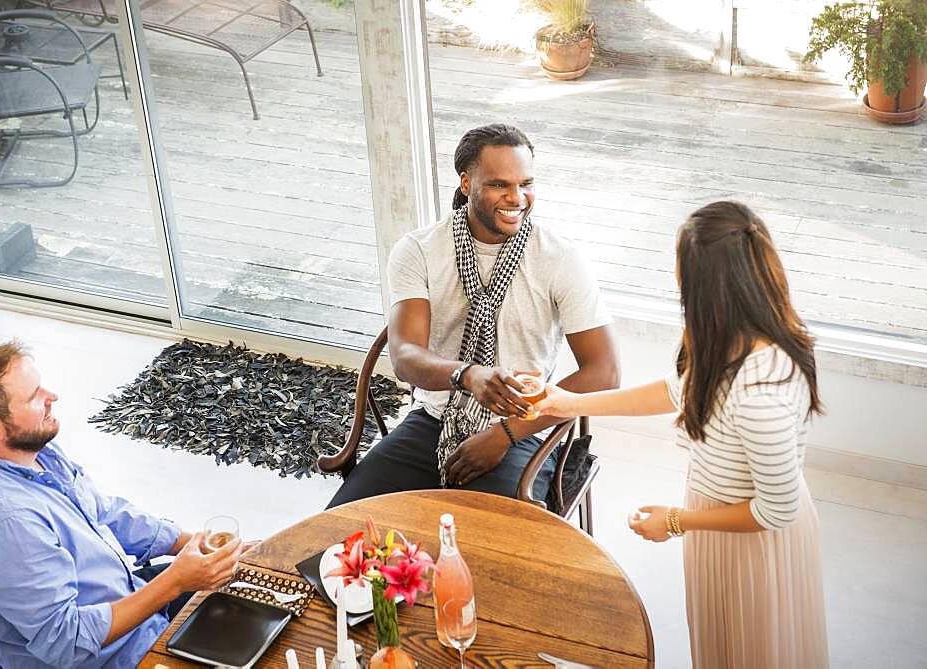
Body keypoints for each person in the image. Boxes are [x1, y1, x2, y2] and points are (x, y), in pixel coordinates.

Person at [535, 201, 829, 668]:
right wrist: (566, 402)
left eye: (682, 274)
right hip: (716, 523)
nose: (675, 282)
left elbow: (776, 509)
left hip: (751, 544)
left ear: (709, 289)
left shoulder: (762, 390)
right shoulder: (725, 338)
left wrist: (676, 521)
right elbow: (675, 391)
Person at [327, 123, 619, 508]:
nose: (517, 198)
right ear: (466, 184)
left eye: (526, 183)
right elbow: (404, 356)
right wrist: (467, 375)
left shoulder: (559, 258)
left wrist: (506, 435)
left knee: (488, 554)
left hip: (522, 428)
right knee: (339, 530)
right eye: (500, 185)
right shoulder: (419, 250)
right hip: (433, 419)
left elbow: (605, 372)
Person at [0, 342, 245, 668]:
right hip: (107, 656)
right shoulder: (4, 525)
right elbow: (67, 642)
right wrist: (176, 582)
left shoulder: (35, 454)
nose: (52, 397)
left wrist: (194, 545)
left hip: (125, 594)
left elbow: (104, 512)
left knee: (251, 582)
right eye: (34, 396)